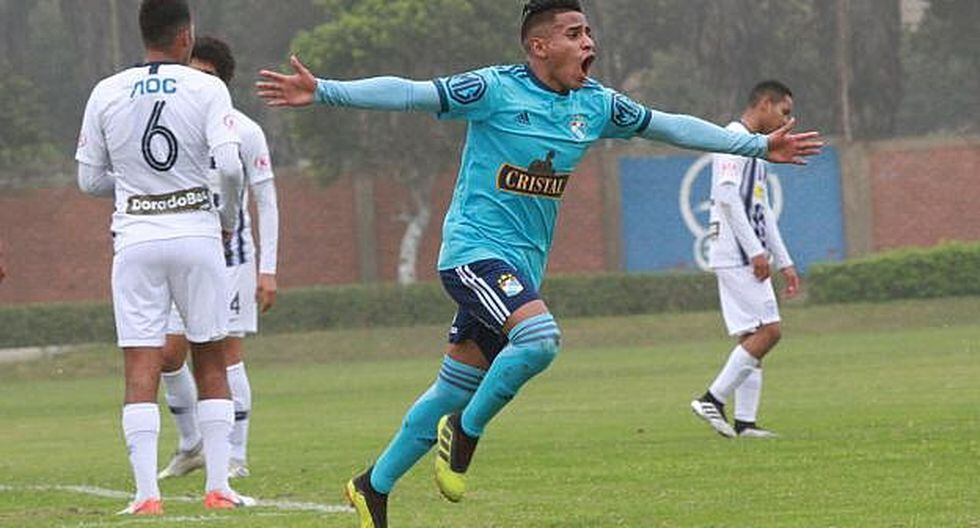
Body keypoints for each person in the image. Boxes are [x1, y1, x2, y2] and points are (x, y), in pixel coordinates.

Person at [257, 1, 821, 526]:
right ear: (539, 46)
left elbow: (669, 124)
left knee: (452, 388)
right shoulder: (493, 89)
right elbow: (411, 93)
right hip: (473, 254)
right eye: (574, 34)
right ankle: (466, 433)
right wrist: (324, 90)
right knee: (540, 340)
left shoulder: (596, 105)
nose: (588, 42)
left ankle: (372, 486)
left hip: (520, 269)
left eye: (589, 32)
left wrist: (755, 145)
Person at [75, 0, 252, 515]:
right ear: (186, 35)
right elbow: (230, 167)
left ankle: (146, 495)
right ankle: (218, 487)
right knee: (211, 356)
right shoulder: (207, 88)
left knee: (140, 361)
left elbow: (88, 179)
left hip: (136, 238)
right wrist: (226, 217)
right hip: (197, 232)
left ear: (143, 33)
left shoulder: (106, 90)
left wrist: (137, 191)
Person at [157, 36, 280, 482]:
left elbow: (266, 201)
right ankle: (192, 445)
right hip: (184, 255)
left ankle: (234, 455)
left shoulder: (245, 131)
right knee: (167, 355)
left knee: (227, 353)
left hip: (232, 260)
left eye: (206, 75)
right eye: (191, 72)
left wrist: (268, 269)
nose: (198, 81)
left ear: (223, 82)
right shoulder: (174, 129)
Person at [690, 81, 801, 439]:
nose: (787, 121)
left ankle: (745, 423)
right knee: (770, 331)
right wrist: (754, 251)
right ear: (765, 104)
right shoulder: (732, 138)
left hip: (742, 252)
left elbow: (761, 207)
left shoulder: (755, 147)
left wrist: (784, 260)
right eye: (784, 112)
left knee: (753, 336)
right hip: (735, 252)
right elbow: (726, 195)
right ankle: (712, 399)